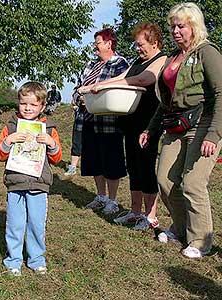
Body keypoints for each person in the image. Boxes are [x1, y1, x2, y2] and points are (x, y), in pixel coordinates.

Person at [140, 3, 222, 258]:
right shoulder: (173, 58)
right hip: (174, 126)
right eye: (173, 26)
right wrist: (150, 129)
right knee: (165, 181)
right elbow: (166, 101)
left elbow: (221, 93)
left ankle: (201, 242)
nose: (175, 31)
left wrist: (214, 134)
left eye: (181, 26)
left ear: (194, 26)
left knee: (193, 184)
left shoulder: (207, 52)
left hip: (204, 124)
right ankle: (182, 228)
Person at [88, 23, 167, 231]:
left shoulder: (161, 60)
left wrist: (104, 85)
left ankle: (150, 216)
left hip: (148, 124)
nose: (137, 49)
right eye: (136, 45)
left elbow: (144, 79)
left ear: (155, 43)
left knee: (146, 167)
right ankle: (134, 212)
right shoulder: (137, 61)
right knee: (133, 167)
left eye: (141, 44)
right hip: (131, 122)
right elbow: (122, 77)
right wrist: (95, 86)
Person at [0, 81, 62, 276]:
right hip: (15, 183)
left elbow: (57, 159)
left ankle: (36, 259)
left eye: (33, 105)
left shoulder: (49, 129)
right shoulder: (11, 127)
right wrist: (8, 141)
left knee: (36, 224)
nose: (28, 108)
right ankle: (13, 260)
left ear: (42, 106)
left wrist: (51, 144)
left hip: (39, 185)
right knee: (14, 224)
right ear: (18, 103)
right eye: (24, 104)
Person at [76, 28, 129, 214]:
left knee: (111, 160)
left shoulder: (120, 64)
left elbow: (124, 87)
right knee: (94, 160)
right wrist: (80, 97)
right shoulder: (90, 65)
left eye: (97, 42)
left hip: (110, 122)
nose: (95, 47)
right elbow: (79, 88)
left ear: (109, 43)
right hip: (89, 119)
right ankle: (101, 196)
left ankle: (112, 200)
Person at [64, 94, 86, 176]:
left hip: (94, 121)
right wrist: (79, 99)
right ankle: (73, 167)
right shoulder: (80, 87)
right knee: (76, 145)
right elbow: (74, 99)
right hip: (80, 122)